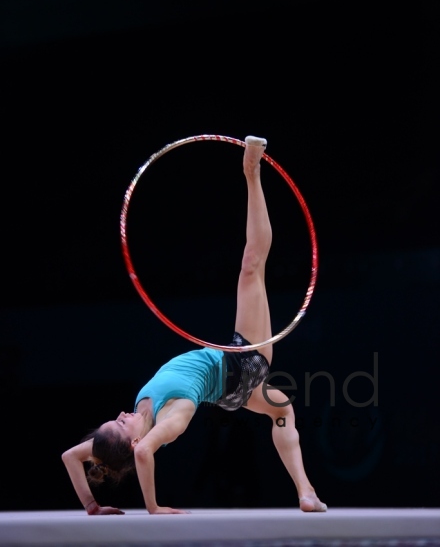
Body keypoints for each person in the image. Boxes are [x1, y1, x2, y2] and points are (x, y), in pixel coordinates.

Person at [62, 136, 328, 515]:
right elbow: (144, 454)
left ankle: (305, 491)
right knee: (251, 267)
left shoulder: (122, 434)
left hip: (231, 390)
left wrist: (91, 505)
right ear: (134, 441)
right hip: (242, 363)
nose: (121, 416)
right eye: (121, 425)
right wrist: (153, 508)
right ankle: (252, 172)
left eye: (115, 419)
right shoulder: (172, 417)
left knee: (282, 409)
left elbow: (70, 456)